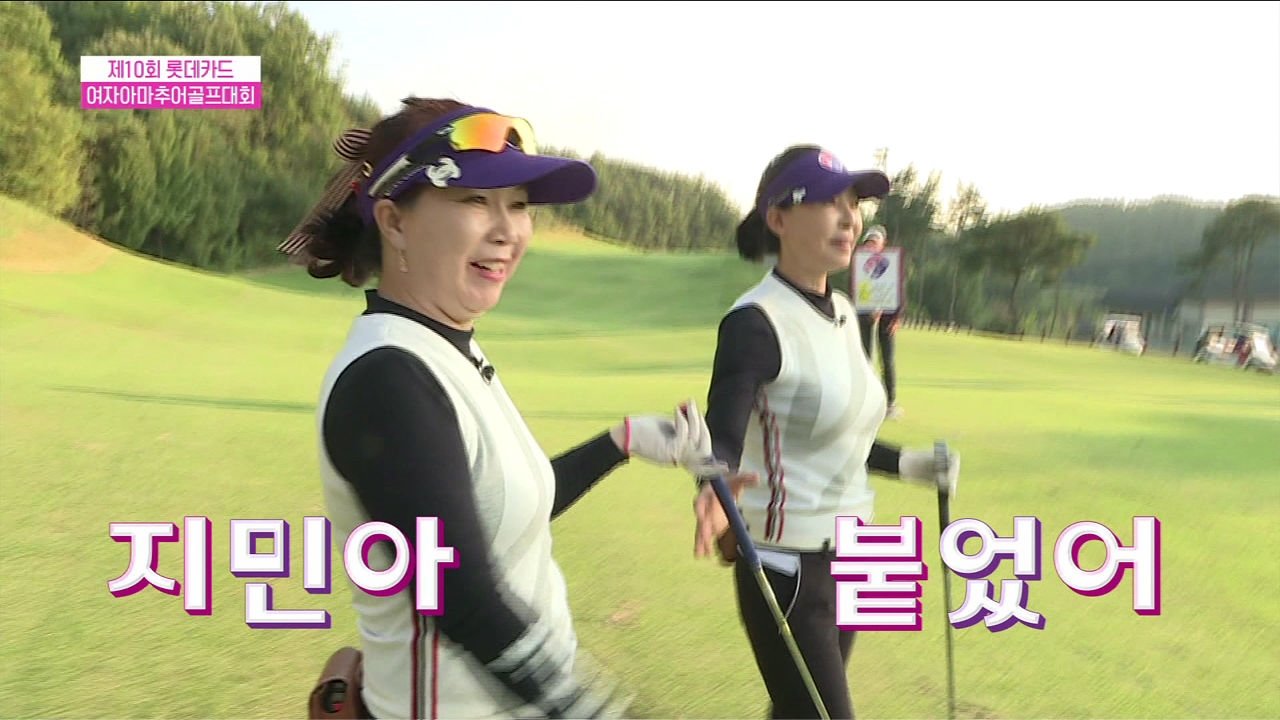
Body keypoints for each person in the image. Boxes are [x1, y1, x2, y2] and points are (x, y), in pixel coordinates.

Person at [279, 97, 730, 720]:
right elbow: (464, 598)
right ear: (394, 222)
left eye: (518, 205)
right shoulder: (387, 379)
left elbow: (495, 509)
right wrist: (596, 710)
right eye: (474, 200)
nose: (508, 230)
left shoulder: (446, 348)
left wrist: (620, 442)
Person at [689, 145, 960, 720]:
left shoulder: (842, 311)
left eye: (853, 204)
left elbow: (844, 431)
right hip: (789, 563)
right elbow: (723, 435)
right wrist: (712, 482)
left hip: (861, 551)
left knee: (796, 710)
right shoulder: (754, 322)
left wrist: (910, 464)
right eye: (827, 202)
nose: (848, 219)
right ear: (779, 218)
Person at [853, 225, 903, 420]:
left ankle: (890, 402)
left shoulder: (891, 264)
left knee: (887, 360)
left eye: (875, 242)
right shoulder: (860, 263)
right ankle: (865, 400)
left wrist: (896, 317)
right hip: (864, 315)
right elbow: (857, 289)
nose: (871, 246)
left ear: (883, 244)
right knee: (865, 357)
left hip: (887, 319)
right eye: (869, 242)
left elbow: (898, 291)